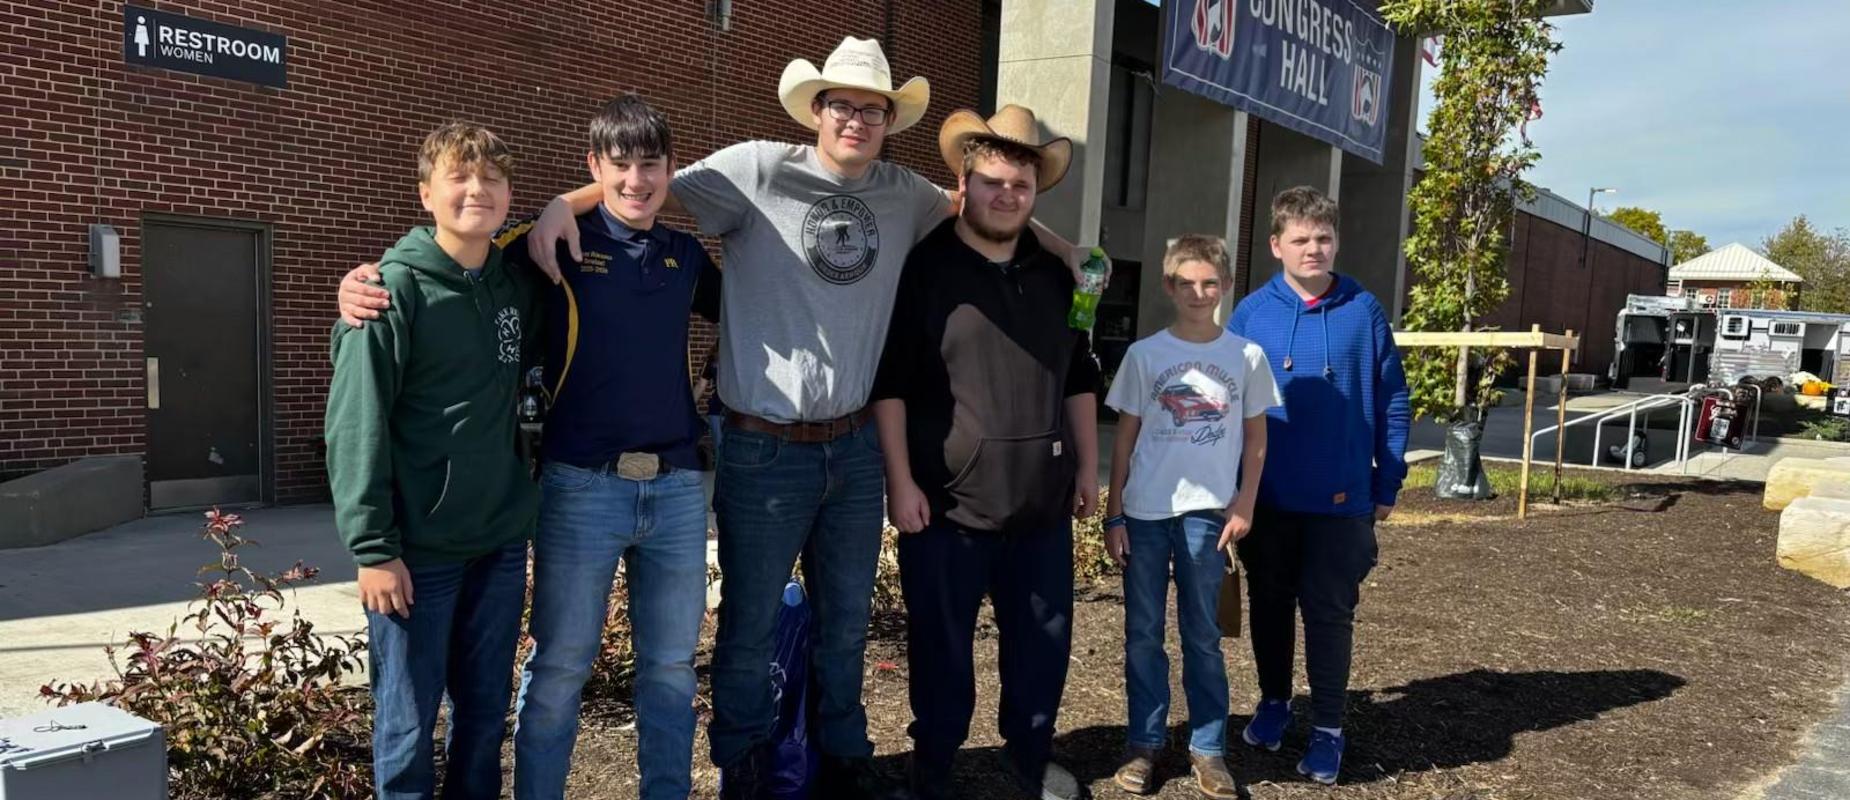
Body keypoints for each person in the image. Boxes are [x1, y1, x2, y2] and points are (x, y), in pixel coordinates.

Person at [869, 106, 1099, 800]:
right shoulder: (924, 269)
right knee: (941, 655)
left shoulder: (1063, 277)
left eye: (1020, 186)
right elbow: (892, 384)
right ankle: (932, 771)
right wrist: (899, 482)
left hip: (1042, 507)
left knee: (1042, 653)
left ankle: (1028, 767)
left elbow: (1081, 376)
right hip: (945, 509)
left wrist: (1090, 468)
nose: (1006, 195)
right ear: (964, 184)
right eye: (993, 182)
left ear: (1036, 193)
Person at [500, 95, 721, 800]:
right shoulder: (556, 243)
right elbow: (462, 263)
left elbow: (762, 308)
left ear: (670, 169)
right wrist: (365, 287)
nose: (636, 180)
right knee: (561, 665)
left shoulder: (685, 256)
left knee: (670, 669)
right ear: (595, 168)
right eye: (619, 166)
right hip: (581, 487)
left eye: (650, 165)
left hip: (679, 491)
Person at [324, 121, 539, 800]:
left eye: (493, 179)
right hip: (418, 555)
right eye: (459, 177)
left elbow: (609, 197)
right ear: (425, 194)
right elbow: (356, 425)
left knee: (481, 719)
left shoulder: (513, 286)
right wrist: (373, 548)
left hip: (498, 542)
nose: (477, 190)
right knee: (407, 726)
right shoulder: (389, 294)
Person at [1226, 186, 1411, 785]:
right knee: (1270, 606)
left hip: (1342, 502)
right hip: (1269, 499)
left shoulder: (1364, 309)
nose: (1314, 249)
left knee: (1330, 614)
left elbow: (1395, 398)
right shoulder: (1252, 315)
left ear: (1336, 242)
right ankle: (1276, 701)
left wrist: (1390, 479)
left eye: (1323, 238)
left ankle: (1329, 726)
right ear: (1277, 244)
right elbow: (1226, 401)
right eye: (1300, 239)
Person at [1101, 234, 1277, 799]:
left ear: (1225, 286)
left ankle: (1208, 748)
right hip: (1145, 514)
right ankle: (1144, 745)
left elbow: (1255, 439)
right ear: (1168, 285)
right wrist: (1114, 513)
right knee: (1142, 635)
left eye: (1209, 283)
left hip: (1208, 516)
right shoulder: (1145, 355)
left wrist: (1245, 501)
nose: (1198, 292)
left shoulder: (1245, 357)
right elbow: (1125, 438)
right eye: (1186, 282)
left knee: (1203, 635)